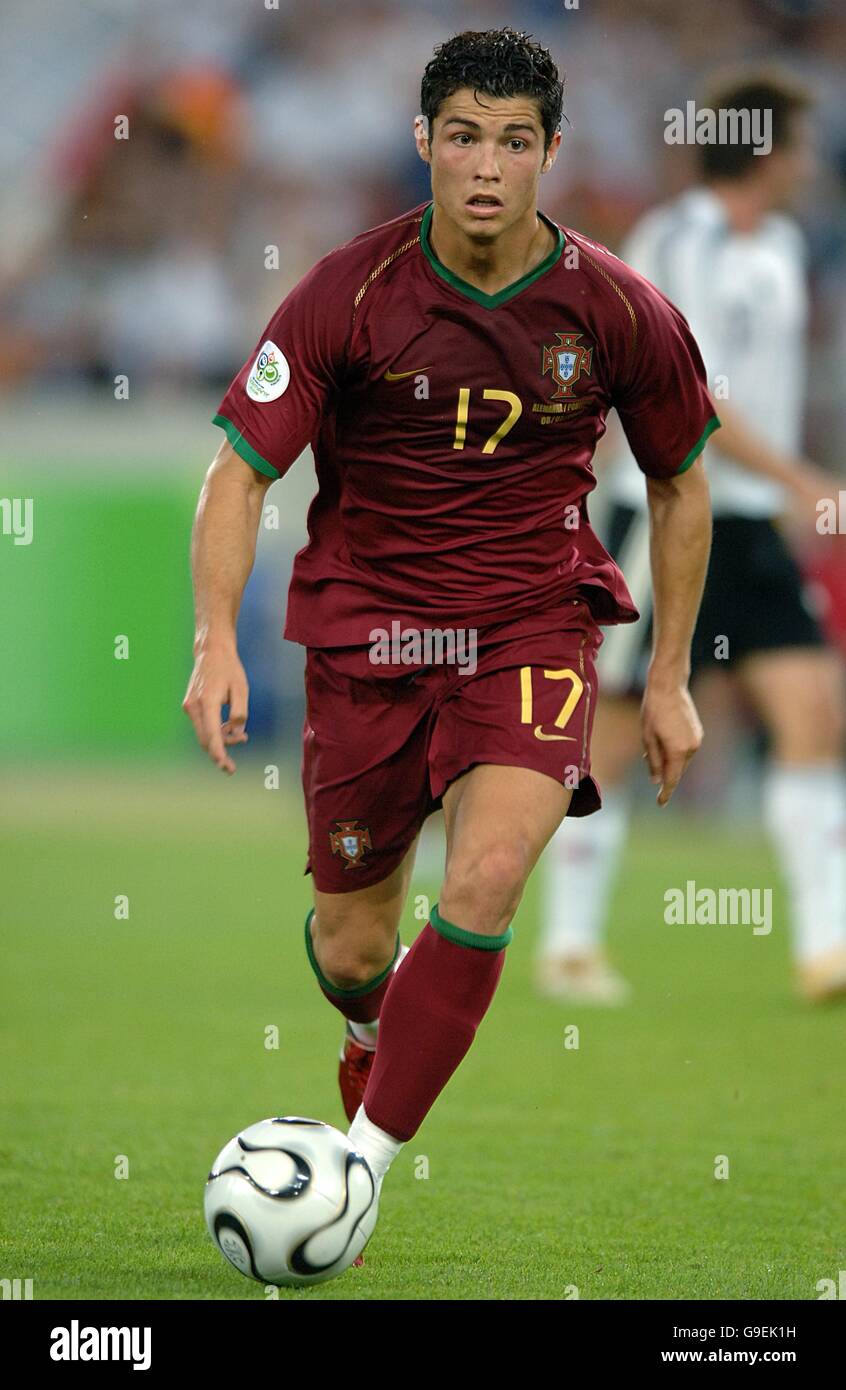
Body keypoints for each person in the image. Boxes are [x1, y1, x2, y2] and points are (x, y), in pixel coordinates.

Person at [182, 28, 716, 1227]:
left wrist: (669, 675)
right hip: (369, 644)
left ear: (551, 154)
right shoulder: (348, 291)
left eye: (514, 142)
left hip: (532, 628)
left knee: (484, 877)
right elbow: (238, 474)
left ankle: (356, 1175)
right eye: (464, 136)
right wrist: (216, 637)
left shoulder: (619, 307)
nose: (487, 165)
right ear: (424, 141)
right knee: (355, 946)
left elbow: (682, 481)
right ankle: (374, 1035)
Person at [538, 67, 846, 1005]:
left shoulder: (784, 245)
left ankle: (825, 949)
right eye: (799, 142)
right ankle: (570, 942)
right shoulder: (674, 240)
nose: (810, 160)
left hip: (747, 526)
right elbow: (693, 390)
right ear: (769, 149)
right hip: (665, 507)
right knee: (620, 733)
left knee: (812, 716)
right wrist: (803, 480)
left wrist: (782, 484)